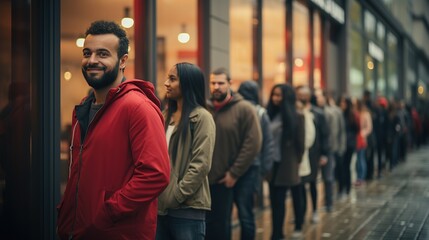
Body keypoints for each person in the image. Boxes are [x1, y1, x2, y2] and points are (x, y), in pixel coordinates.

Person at [56, 20, 170, 240]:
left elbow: (155, 174)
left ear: (122, 61)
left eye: (102, 54)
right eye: (87, 53)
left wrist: (108, 211)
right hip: (79, 229)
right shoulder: (83, 108)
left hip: (117, 232)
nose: (92, 60)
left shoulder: (137, 107)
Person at [156, 62, 216, 240]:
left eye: (172, 79)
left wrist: (176, 196)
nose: (166, 83)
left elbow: (201, 164)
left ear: (188, 83)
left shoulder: (202, 118)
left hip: (188, 208)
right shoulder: (164, 116)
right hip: (160, 207)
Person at [205, 68, 262, 240]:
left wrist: (234, 172)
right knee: (218, 222)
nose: (216, 87)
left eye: (221, 83)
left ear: (230, 84)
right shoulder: (206, 108)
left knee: (245, 217)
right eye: (213, 83)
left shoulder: (245, 108)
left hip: (242, 174)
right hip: (215, 177)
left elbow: (253, 143)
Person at [236, 80, 275, 239]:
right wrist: (264, 170)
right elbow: (268, 143)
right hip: (253, 167)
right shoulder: (261, 112)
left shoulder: (237, 109)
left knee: (227, 214)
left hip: (232, 166)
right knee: (246, 212)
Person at [266, 84, 305, 240]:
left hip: (286, 165)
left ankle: (277, 234)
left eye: (279, 95)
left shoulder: (297, 117)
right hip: (271, 164)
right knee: (274, 201)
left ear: (287, 97)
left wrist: (296, 163)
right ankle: (277, 232)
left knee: (280, 200)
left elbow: (300, 145)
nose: (276, 98)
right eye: (274, 95)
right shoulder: (269, 114)